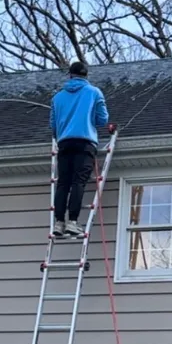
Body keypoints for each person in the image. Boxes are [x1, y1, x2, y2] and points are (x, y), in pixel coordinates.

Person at [49, 61, 111, 238]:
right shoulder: (94, 93)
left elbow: (53, 126)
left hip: (64, 143)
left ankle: (59, 222)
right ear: (86, 76)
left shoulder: (57, 98)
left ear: (69, 75)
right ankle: (73, 222)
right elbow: (102, 120)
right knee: (78, 182)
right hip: (85, 143)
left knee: (63, 183)